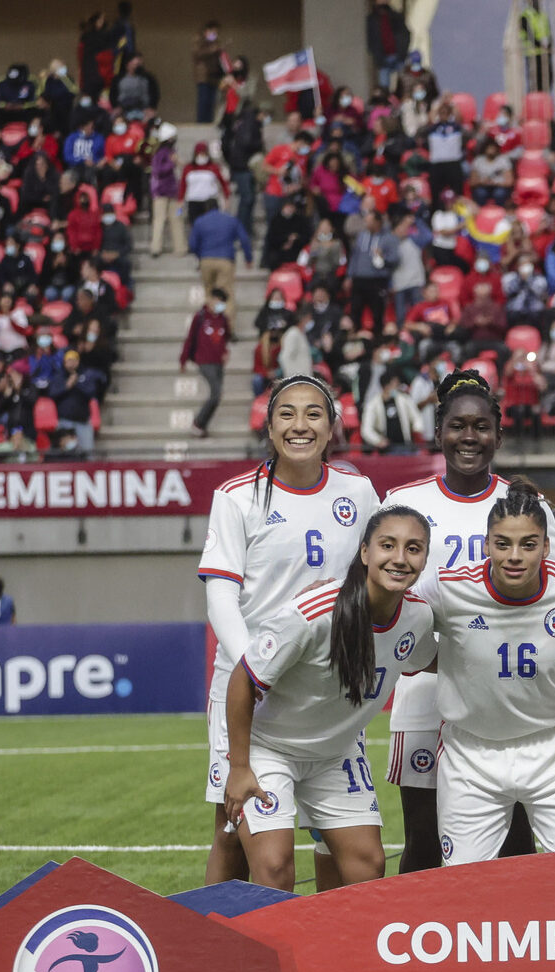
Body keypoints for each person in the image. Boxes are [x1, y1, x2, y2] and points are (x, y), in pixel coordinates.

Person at [196, 374, 382, 888]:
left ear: (332, 428)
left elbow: (380, 575)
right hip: (250, 691)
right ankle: (211, 951)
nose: (300, 425)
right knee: (234, 834)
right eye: (287, 414)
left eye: (313, 414)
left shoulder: (359, 491)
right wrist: (257, 667)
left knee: (336, 841)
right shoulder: (237, 497)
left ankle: (331, 954)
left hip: (329, 692)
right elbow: (220, 596)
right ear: (269, 425)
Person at [382, 372, 555, 871]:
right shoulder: (404, 504)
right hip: (425, 692)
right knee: (422, 840)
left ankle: (510, 948)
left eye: (481, 427)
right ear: (438, 432)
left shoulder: (528, 507)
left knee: (514, 844)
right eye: (457, 425)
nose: (469, 437)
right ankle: (418, 946)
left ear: (498, 436)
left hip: (510, 699)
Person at [223, 506, 435, 891]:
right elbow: (242, 679)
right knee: (273, 867)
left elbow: (431, 661)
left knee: (368, 866)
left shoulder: (418, 618)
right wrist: (239, 767)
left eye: (414, 548)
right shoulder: (314, 612)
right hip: (270, 748)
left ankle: (335, 951)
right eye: (388, 545)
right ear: (366, 552)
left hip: (336, 753)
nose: (400, 558)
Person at [421, 479, 555, 862]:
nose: (514, 556)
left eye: (528, 544)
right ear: (487, 544)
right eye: (503, 543)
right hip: (471, 754)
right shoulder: (447, 588)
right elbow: (391, 615)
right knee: (463, 885)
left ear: (546, 547)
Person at [189, 202, 252, 328]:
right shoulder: (231, 220)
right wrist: (248, 258)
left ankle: (210, 325)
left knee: (209, 293)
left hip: (206, 260)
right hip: (225, 260)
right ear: (220, 207)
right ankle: (227, 328)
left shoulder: (200, 221)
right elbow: (244, 239)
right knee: (226, 294)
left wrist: (200, 256)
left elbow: (192, 244)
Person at [181, 289, 232, 437]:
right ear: (210, 300)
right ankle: (198, 423)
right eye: (217, 300)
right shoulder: (200, 317)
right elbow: (190, 338)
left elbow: (226, 337)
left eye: (222, 301)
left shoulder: (223, 319)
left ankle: (201, 426)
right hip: (204, 361)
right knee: (216, 393)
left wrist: (225, 352)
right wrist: (183, 359)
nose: (219, 304)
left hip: (218, 362)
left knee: (218, 395)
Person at [519, 0, 554, 94]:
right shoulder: (525, 16)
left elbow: (549, 32)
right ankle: (534, 102)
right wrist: (540, 44)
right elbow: (529, 35)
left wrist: (549, 45)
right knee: (535, 82)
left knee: (548, 79)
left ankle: (544, 101)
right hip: (532, 54)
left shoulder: (543, 15)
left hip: (545, 54)